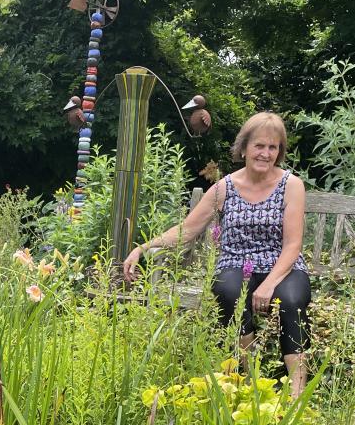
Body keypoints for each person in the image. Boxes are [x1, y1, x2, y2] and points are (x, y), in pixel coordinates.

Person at [123, 111, 310, 396]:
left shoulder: (291, 185)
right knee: (229, 290)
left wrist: (270, 284)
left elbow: (293, 244)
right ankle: (250, 379)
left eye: (273, 147)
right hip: (236, 261)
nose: (265, 153)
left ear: (279, 151)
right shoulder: (225, 188)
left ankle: (298, 393)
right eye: (259, 145)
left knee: (292, 301)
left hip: (282, 265)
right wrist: (142, 248)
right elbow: (187, 230)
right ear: (245, 147)